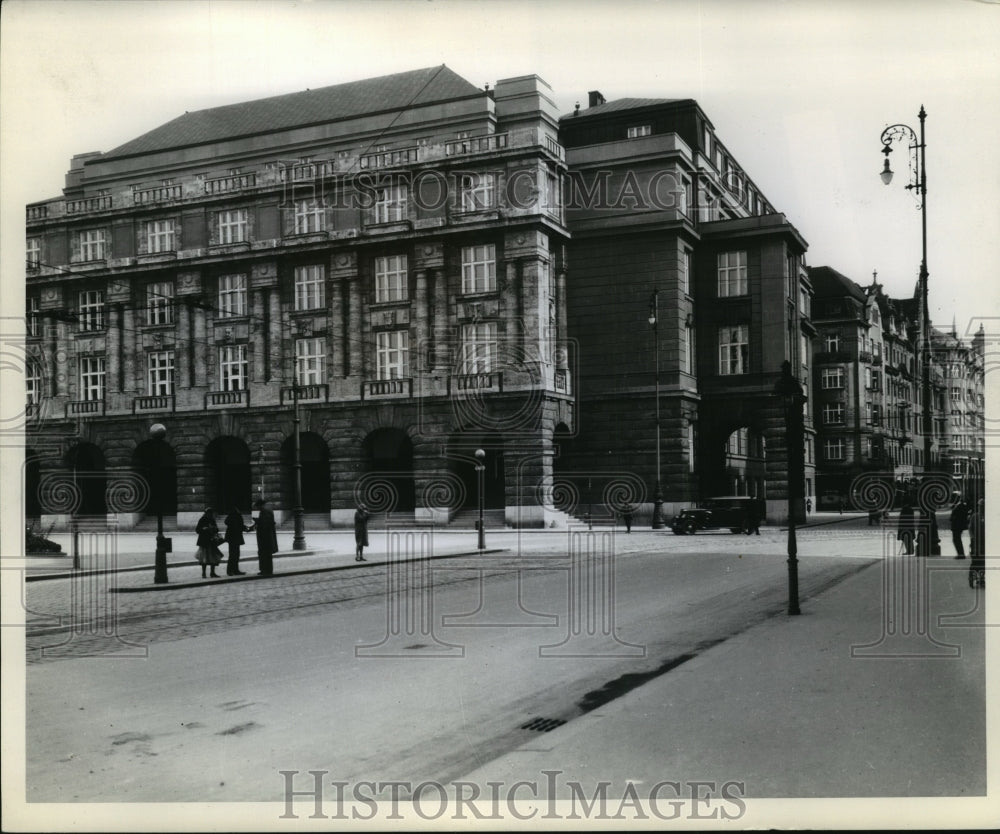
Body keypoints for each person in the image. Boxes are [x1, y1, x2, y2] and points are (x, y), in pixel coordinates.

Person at [195, 508, 222, 578]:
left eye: (211, 513)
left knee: (213, 557)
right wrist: (204, 529)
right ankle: (204, 573)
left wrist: (214, 528)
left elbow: (217, 529)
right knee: (204, 558)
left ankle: (212, 573)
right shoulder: (202, 519)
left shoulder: (212, 520)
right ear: (206, 513)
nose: (210, 515)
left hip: (211, 540)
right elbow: (197, 530)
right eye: (209, 513)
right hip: (204, 541)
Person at [224, 505, 249, 575]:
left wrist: (244, 528)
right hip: (234, 537)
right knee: (233, 554)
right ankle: (231, 570)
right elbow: (239, 525)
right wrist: (244, 528)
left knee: (235, 554)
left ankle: (234, 570)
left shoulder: (234, 516)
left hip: (233, 537)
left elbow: (239, 525)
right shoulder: (235, 516)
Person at [969, 499, 986, 587]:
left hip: (985, 542)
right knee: (975, 559)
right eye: (980, 506)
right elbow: (970, 528)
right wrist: (972, 537)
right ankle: (977, 575)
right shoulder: (974, 517)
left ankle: (982, 577)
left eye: (983, 506)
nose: (981, 508)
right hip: (976, 542)